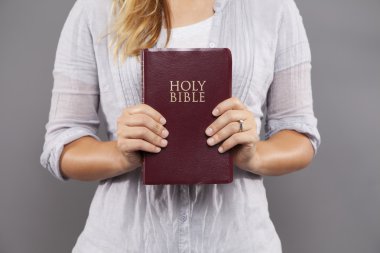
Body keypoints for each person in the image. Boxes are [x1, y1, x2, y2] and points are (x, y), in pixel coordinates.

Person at [40, 0, 321, 251]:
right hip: (122, 241)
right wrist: (120, 154)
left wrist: (254, 154)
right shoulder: (96, 8)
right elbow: (62, 142)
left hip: (237, 241)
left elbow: (299, 134)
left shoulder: (273, 8)